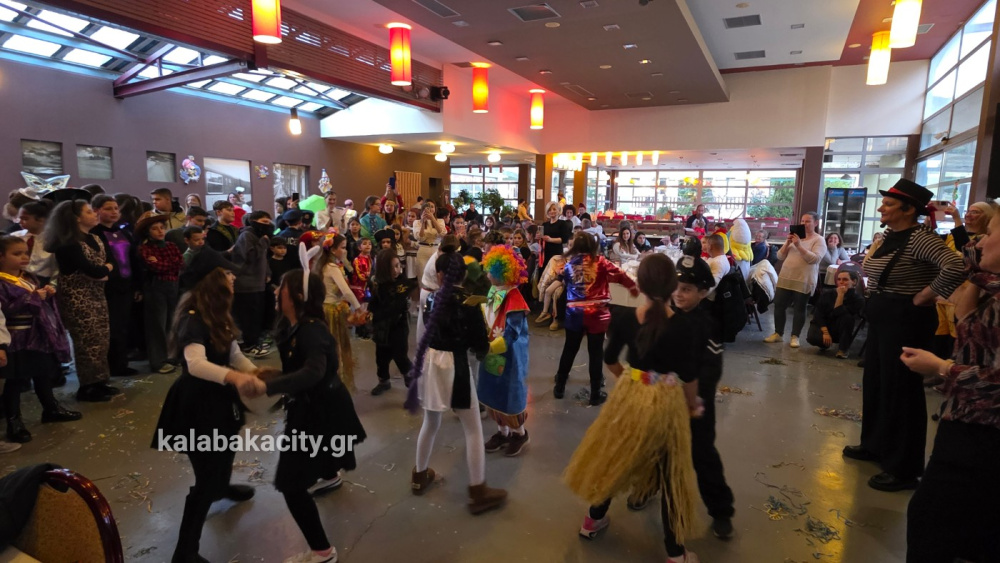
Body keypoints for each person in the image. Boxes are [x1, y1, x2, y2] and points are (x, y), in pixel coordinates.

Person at [563, 254, 701, 562]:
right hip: (666, 403)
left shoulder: (625, 318)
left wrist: (631, 380)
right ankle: (675, 552)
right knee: (672, 474)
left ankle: (592, 520)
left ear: (640, 285)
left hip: (630, 397)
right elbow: (690, 376)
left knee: (617, 457)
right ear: (673, 286)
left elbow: (610, 359)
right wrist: (692, 404)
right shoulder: (684, 326)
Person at [843, 179, 965, 492]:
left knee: (901, 391)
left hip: (906, 320)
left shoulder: (920, 238)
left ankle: (904, 468)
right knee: (876, 383)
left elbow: (956, 265)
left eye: (888, 204)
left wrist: (926, 295)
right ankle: (875, 445)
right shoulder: (889, 236)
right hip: (884, 316)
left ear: (908, 210)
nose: (881, 208)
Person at [900, 202, 1000, 562]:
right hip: (963, 416)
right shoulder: (989, 284)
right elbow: (964, 310)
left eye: (990, 233)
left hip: (985, 429)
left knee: (932, 523)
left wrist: (942, 367)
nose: (980, 241)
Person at [151, 264, 260, 563]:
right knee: (207, 474)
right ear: (212, 282)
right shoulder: (193, 318)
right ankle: (185, 552)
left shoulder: (218, 315)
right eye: (227, 275)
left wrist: (256, 374)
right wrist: (235, 377)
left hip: (219, 398)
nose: (233, 279)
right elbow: (196, 364)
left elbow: (234, 354)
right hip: (197, 404)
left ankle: (221, 488)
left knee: (224, 450)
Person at [255, 268, 366, 563]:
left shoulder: (311, 330)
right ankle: (329, 476)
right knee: (313, 461)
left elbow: (314, 372)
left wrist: (268, 386)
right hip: (317, 405)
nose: (276, 291)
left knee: (290, 484)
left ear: (298, 296)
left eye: (281, 287)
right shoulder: (295, 326)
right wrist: (276, 376)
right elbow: (303, 369)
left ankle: (322, 552)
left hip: (320, 411)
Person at [405, 251, 507, 514]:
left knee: (430, 422)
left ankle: (419, 475)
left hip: (431, 362)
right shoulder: (469, 303)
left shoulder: (430, 299)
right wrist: (494, 345)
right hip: (456, 367)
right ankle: (478, 491)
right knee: (473, 429)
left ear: (440, 275)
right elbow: (479, 345)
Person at [672, 254, 735, 539]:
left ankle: (721, 510)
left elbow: (711, 370)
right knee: (656, 449)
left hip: (696, 405)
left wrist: (695, 399)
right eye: (676, 287)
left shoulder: (707, 325)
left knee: (703, 455)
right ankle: (646, 489)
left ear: (702, 292)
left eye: (686, 289)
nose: (678, 294)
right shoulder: (667, 318)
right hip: (665, 401)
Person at [0, 235, 80, 443]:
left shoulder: (28, 277)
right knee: (16, 380)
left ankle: (51, 408)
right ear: (1, 257)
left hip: (38, 334)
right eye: (17, 254)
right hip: (16, 336)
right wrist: (34, 297)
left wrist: (47, 294)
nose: (24, 257)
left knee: (42, 373)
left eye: (25, 253)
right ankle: (14, 421)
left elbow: (37, 301)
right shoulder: (2, 282)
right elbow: (5, 309)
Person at [43, 200, 119, 402]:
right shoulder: (68, 244)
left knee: (101, 339)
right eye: (89, 211)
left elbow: (111, 264)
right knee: (87, 342)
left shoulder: (96, 237)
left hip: (97, 295)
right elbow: (94, 270)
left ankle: (100, 381)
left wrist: (104, 270)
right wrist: (103, 270)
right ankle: (88, 386)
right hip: (78, 298)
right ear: (76, 218)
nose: (95, 214)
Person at [554, 232, 638, 405]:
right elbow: (621, 274)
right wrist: (633, 288)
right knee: (596, 352)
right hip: (597, 314)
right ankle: (595, 393)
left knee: (569, 349)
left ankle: (560, 386)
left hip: (575, 313)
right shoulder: (601, 262)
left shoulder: (570, 265)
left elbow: (563, 279)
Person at [478, 246, 531, 457]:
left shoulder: (514, 298)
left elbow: (512, 333)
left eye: (491, 271)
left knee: (509, 394)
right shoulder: (494, 290)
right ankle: (502, 432)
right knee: (493, 391)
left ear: (502, 273)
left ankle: (519, 433)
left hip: (509, 357)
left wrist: (490, 347)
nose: (487, 275)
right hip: (491, 352)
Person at [90, 196, 139, 378]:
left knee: (123, 325)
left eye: (116, 208)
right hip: (107, 286)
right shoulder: (94, 233)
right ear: (97, 211)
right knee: (111, 327)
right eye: (108, 208)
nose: (114, 212)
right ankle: (112, 365)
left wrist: (137, 285)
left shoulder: (123, 231)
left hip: (126, 284)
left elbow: (133, 259)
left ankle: (121, 362)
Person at [763, 212, 826, 348]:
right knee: (779, 305)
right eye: (802, 221)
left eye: (808, 221)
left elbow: (814, 259)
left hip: (804, 278)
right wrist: (788, 242)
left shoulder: (819, 240)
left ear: (815, 223)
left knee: (799, 308)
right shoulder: (795, 237)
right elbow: (780, 256)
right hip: (786, 276)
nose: (804, 224)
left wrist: (799, 245)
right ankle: (778, 333)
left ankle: (795, 336)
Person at [313, 234, 362, 391]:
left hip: (324, 309)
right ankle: (336, 381)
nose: (345, 251)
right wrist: (358, 307)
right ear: (333, 250)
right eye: (343, 247)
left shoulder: (322, 265)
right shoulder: (332, 268)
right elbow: (346, 291)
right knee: (338, 346)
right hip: (332, 310)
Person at [136, 214, 184, 374]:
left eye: (162, 228)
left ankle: (171, 355)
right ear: (147, 232)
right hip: (155, 288)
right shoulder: (145, 248)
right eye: (154, 229)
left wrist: (163, 263)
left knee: (172, 322)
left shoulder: (171, 245)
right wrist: (169, 264)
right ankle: (158, 361)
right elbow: (156, 267)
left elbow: (180, 263)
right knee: (157, 325)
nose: (160, 231)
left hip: (173, 286)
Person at [368, 248, 417, 396]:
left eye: (397, 266)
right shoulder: (377, 284)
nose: (397, 270)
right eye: (392, 268)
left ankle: (412, 384)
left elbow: (397, 306)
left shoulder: (403, 284)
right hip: (382, 327)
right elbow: (373, 304)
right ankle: (384, 381)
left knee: (400, 356)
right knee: (381, 357)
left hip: (398, 325)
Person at [232, 211, 273, 358]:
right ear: (254, 221)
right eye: (264, 222)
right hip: (246, 284)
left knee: (257, 316)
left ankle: (255, 341)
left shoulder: (259, 236)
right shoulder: (247, 235)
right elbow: (250, 256)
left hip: (258, 283)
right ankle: (249, 346)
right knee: (248, 317)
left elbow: (263, 259)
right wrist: (264, 242)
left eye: (269, 222)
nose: (268, 225)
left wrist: (267, 273)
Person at [806, 270, 863, 358]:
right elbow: (818, 314)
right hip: (826, 323)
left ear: (854, 282)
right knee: (812, 338)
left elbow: (838, 312)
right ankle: (824, 344)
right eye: (839, 279)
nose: (841, 282)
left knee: (847, 318)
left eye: (845, 279)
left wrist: (840, 295)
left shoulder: (858, 299)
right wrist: (825, 332)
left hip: (841, 327)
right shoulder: (827, 294)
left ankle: (843, 349)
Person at [13, 200, 57, 287]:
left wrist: (52, 285)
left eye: (25, 219)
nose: (20, 222)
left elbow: (56, 267)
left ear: (41, 220)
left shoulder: (52, 241)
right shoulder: (15, 237)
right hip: (16, 278)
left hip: (41, 280)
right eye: (20, 218)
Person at [413, 201, 447, 286]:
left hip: (436, 250)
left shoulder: (440, 221)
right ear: (423, 209)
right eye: (427, 207)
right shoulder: (417, 222)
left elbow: (442, 233)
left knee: (436, 276)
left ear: (435, 209)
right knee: (422, 277)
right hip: (423, 251)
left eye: (432, 207)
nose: (430, 209)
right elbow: (419, 238)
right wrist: (422, 223)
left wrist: (433, 219)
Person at [541, 202, 572, 273]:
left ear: (558, 210)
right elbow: (541, 238)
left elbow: (564, 239)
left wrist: (550, 239)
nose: (552, 211)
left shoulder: (562, 223)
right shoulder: (544, 225)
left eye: (554, 209)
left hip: (556, 251)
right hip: (545, 252)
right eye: (549, 210)